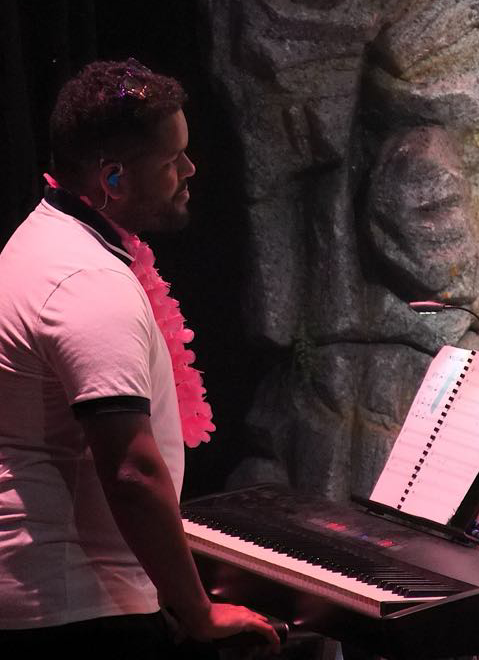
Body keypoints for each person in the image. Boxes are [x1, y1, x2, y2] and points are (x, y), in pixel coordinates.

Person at [0, 60, 279, 655]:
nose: (190, 169)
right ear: (114, 178)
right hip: (75, 610)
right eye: (172, 158)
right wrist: (197, 612)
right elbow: (132, 471)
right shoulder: (86, 281)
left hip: (63, 595)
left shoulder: (47, 238)